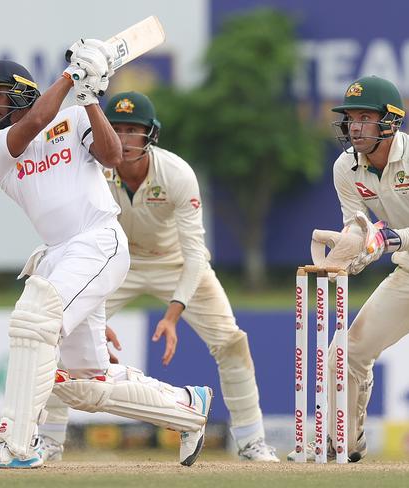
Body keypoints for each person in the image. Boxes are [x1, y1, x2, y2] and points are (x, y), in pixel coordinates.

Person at [0, 43, 213, 469]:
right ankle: (186, 407)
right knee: (84, 382)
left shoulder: (73, 116)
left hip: (98, 240)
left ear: (22, 92)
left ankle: (17, 445)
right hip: (60, 254)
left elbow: (112, 156)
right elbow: (36, 123)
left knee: (34, 320)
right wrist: (71, 77)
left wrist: (91, 97)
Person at [38, 91, 279, 463]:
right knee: (54, 333)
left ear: (151, 134)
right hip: (113, 263)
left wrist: (172, 314)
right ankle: (50, 442)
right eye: (115, 129)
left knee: (231, 342)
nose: (122, 139)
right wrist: (88, 311)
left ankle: (251, 442)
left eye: (133, 130)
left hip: (176, 265)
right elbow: (72, 235)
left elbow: (196, 252)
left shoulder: (176, 173)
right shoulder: (91, 170)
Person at [289, 75, 409, 463]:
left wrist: (385, 241)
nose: (355, 127)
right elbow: (357, 225)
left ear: (390, 121)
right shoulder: (345, 168)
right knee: (345, 351)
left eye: (365, 117)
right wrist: (352, 248)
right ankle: (341, 441)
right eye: (350, 118)